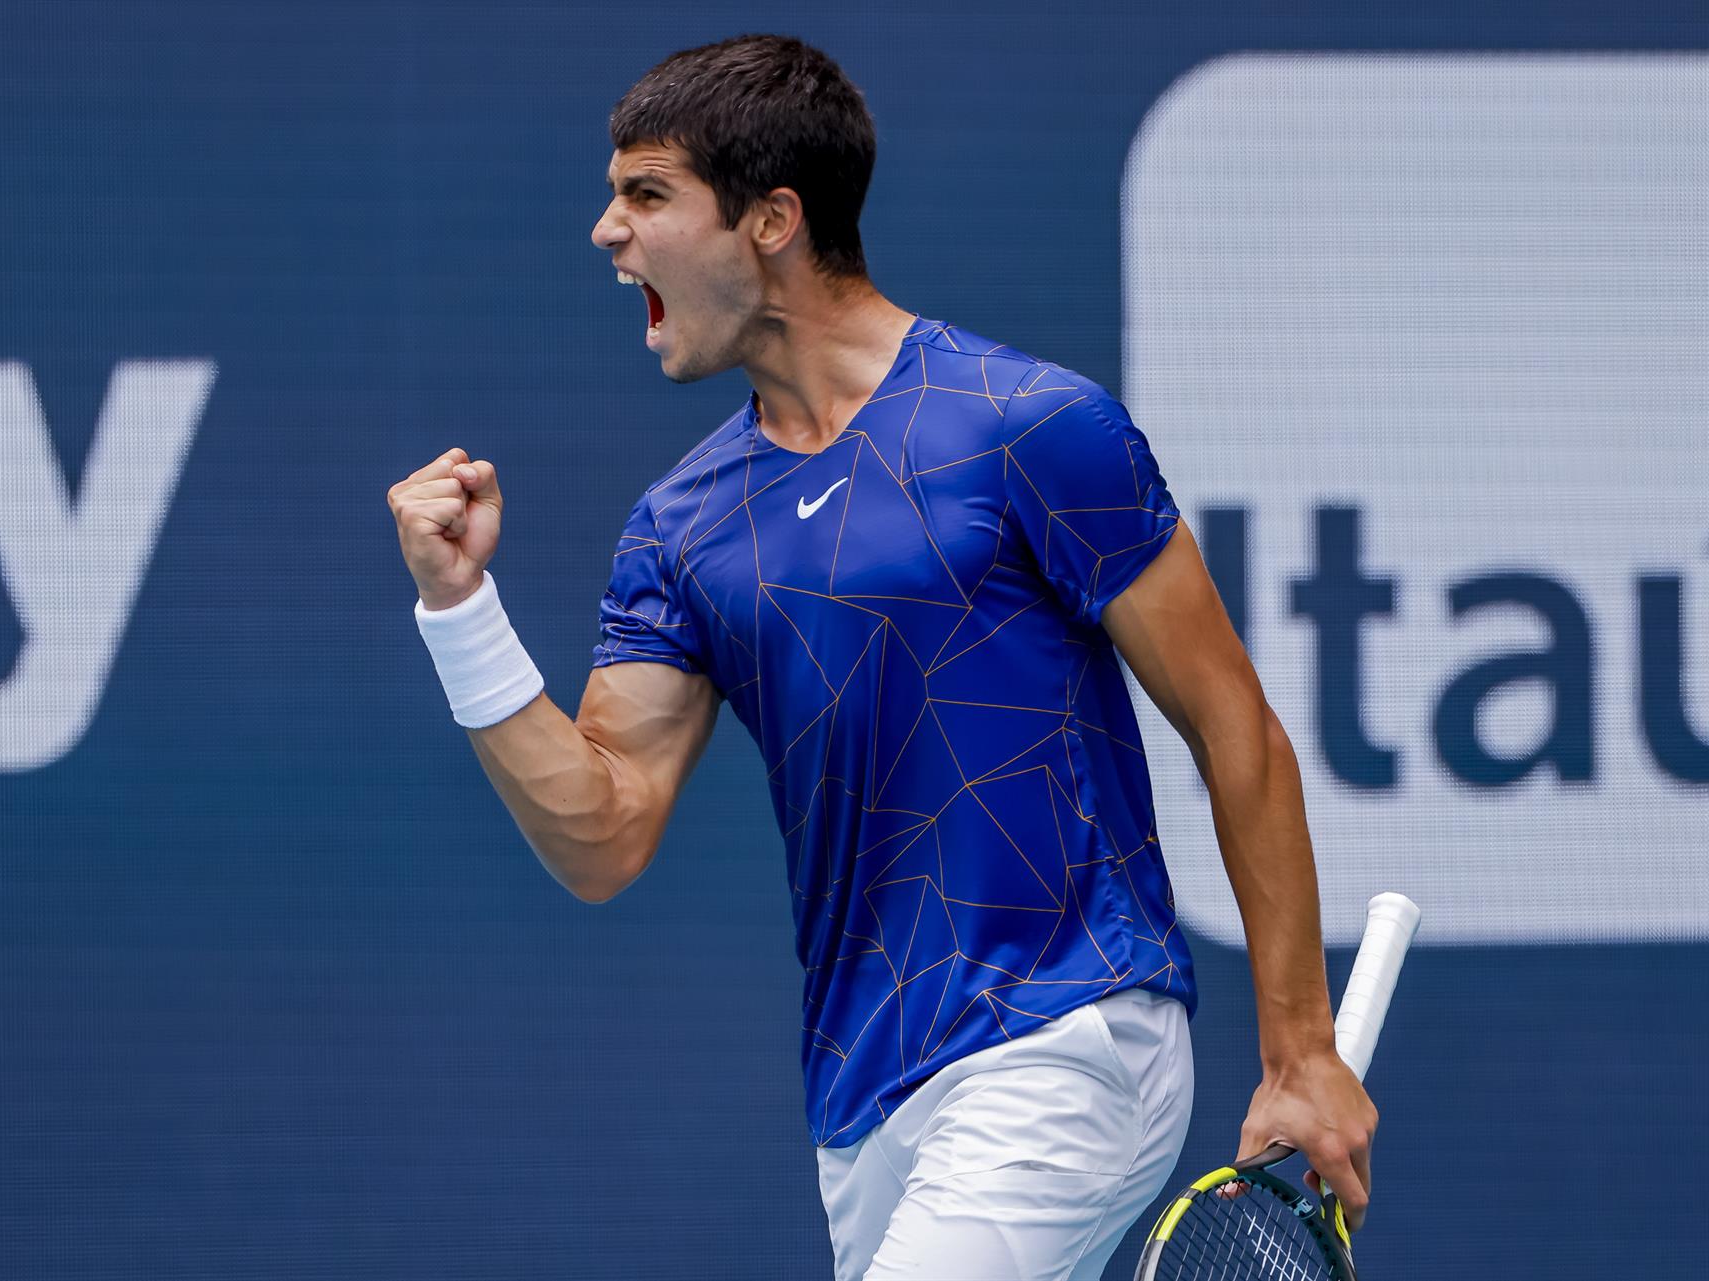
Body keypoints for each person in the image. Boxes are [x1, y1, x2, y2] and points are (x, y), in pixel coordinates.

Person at [388, 33, 1375, 1281]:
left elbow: (1235, 727)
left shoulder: (1030, 428)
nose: (606, 231)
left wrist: (1301, 1052)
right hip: (865, 1103)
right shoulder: (681, 528)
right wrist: (461, 612)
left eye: (646, 195)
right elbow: (602, 831)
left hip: (1068, 1032)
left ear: (771, 221)